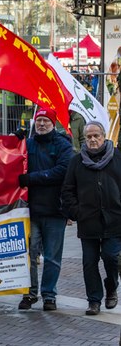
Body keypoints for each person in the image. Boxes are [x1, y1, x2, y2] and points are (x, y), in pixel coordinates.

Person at [62, 121, 121, 316]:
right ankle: (94, 300)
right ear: (84, 139)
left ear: (104, 137)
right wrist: (76, 212)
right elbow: (68, 190)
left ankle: (111, 287)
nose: (93, 140)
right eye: (89, 137)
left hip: (114, 220)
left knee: (111, 257)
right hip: (88, 222)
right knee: (89, 262)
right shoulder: (77, 161)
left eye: (96, 136)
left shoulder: (117, 158)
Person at [17, 108, 73, 311]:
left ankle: (49, 295)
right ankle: (30, 293)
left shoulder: (63, 145)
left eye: (45, 121)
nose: (41, 124)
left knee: (52, 257)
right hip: (30, 211)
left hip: (56, 211)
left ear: (53, 123)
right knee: (29, 255)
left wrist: (32, 179)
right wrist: (14, 141)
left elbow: (63, 171)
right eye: (38, 120)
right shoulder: (27, 144)